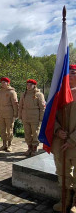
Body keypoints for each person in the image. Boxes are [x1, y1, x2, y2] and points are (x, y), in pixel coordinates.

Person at [51, 65, 76, 212]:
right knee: (62, 173)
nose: (70, 75)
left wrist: (72, 139)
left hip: (74, 143)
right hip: (60, 142)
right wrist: (57, 130)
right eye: (68, 73)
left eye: (73, 73)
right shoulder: (58, 94)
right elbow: (50, 117)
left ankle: (75, 203)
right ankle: (64, 200)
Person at [18, 79, 45, 156]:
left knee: (35, 133)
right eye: (27, 85)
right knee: (27, 133)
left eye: (30, 85)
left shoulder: (39, 95)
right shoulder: (24, 94)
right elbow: (20, 106)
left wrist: (41, 118)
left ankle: (34, 149)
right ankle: (29, 147)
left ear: (34, 86)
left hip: (35, 117)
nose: (28, 86)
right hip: (25, 116)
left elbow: (42, 107)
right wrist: (20, 116)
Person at [0, 77, 18, 152]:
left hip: (9, 113)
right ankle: (4, 144)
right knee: (2, 130)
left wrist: (15, 114)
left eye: (4, 82)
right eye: (1, 82)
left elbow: (15, 104)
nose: (2, 84)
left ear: (8, 83)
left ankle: (10, 145)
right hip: (1, 113)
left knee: (9, 130)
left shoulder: (12, 92)